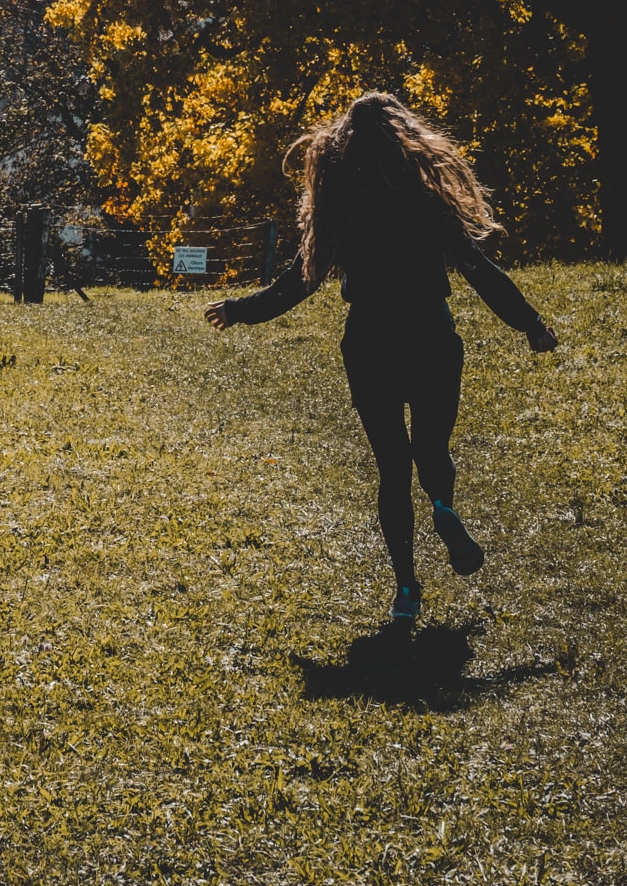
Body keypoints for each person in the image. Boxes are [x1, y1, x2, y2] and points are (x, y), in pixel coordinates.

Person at [205, 92, 557, 625]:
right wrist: (531, 324)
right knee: (432, 449)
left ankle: (407, 590)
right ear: (405, 136)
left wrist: (240, 310)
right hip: (430, 333)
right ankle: (443, 506)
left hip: (370, 340)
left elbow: (299, 282)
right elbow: (482, 272)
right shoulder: (426, 199)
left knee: (392, 468)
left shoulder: (341, 204)